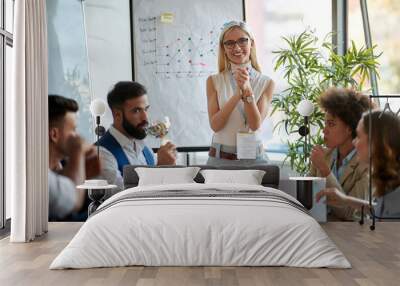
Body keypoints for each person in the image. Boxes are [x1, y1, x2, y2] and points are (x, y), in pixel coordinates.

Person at [206, 20, 274, 166]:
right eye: (229, 43)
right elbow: (215, 125)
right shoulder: (214, 81)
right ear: (223, 48)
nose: (236, 47)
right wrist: (237, 94)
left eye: (242, 40)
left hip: (254, 160)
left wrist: (247, 90)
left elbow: (254, 124)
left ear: (252, 43)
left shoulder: (266, 82)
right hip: (220, 160)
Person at [316, 110, 400, 219]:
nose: (354, 142)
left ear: (375, 142)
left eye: (359, 136)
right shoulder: (388, 176)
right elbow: (380, 209)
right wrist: (346, 200)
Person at [98, 81, 177, 191]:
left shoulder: (145, 149)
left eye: (146, 109)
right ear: (117, 114)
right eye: (136, 111)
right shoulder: (101, 153)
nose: (145, 118)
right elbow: (121, 198)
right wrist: (160, 168)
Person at [309, 88, 372, 220]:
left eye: (331, 124)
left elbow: (353, 214)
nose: (324, 130)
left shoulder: (368, 165)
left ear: (350, 128)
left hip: (350, 235)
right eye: (325, 123)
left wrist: (325, 171)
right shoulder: (323, 156)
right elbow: (309, 200)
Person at [48, 95, 99, 221]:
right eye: (73, 130)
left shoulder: (69, 166)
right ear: (54, 134)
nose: (77, 136)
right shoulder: (40, 179)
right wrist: (77, 150)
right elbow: (74, 200)